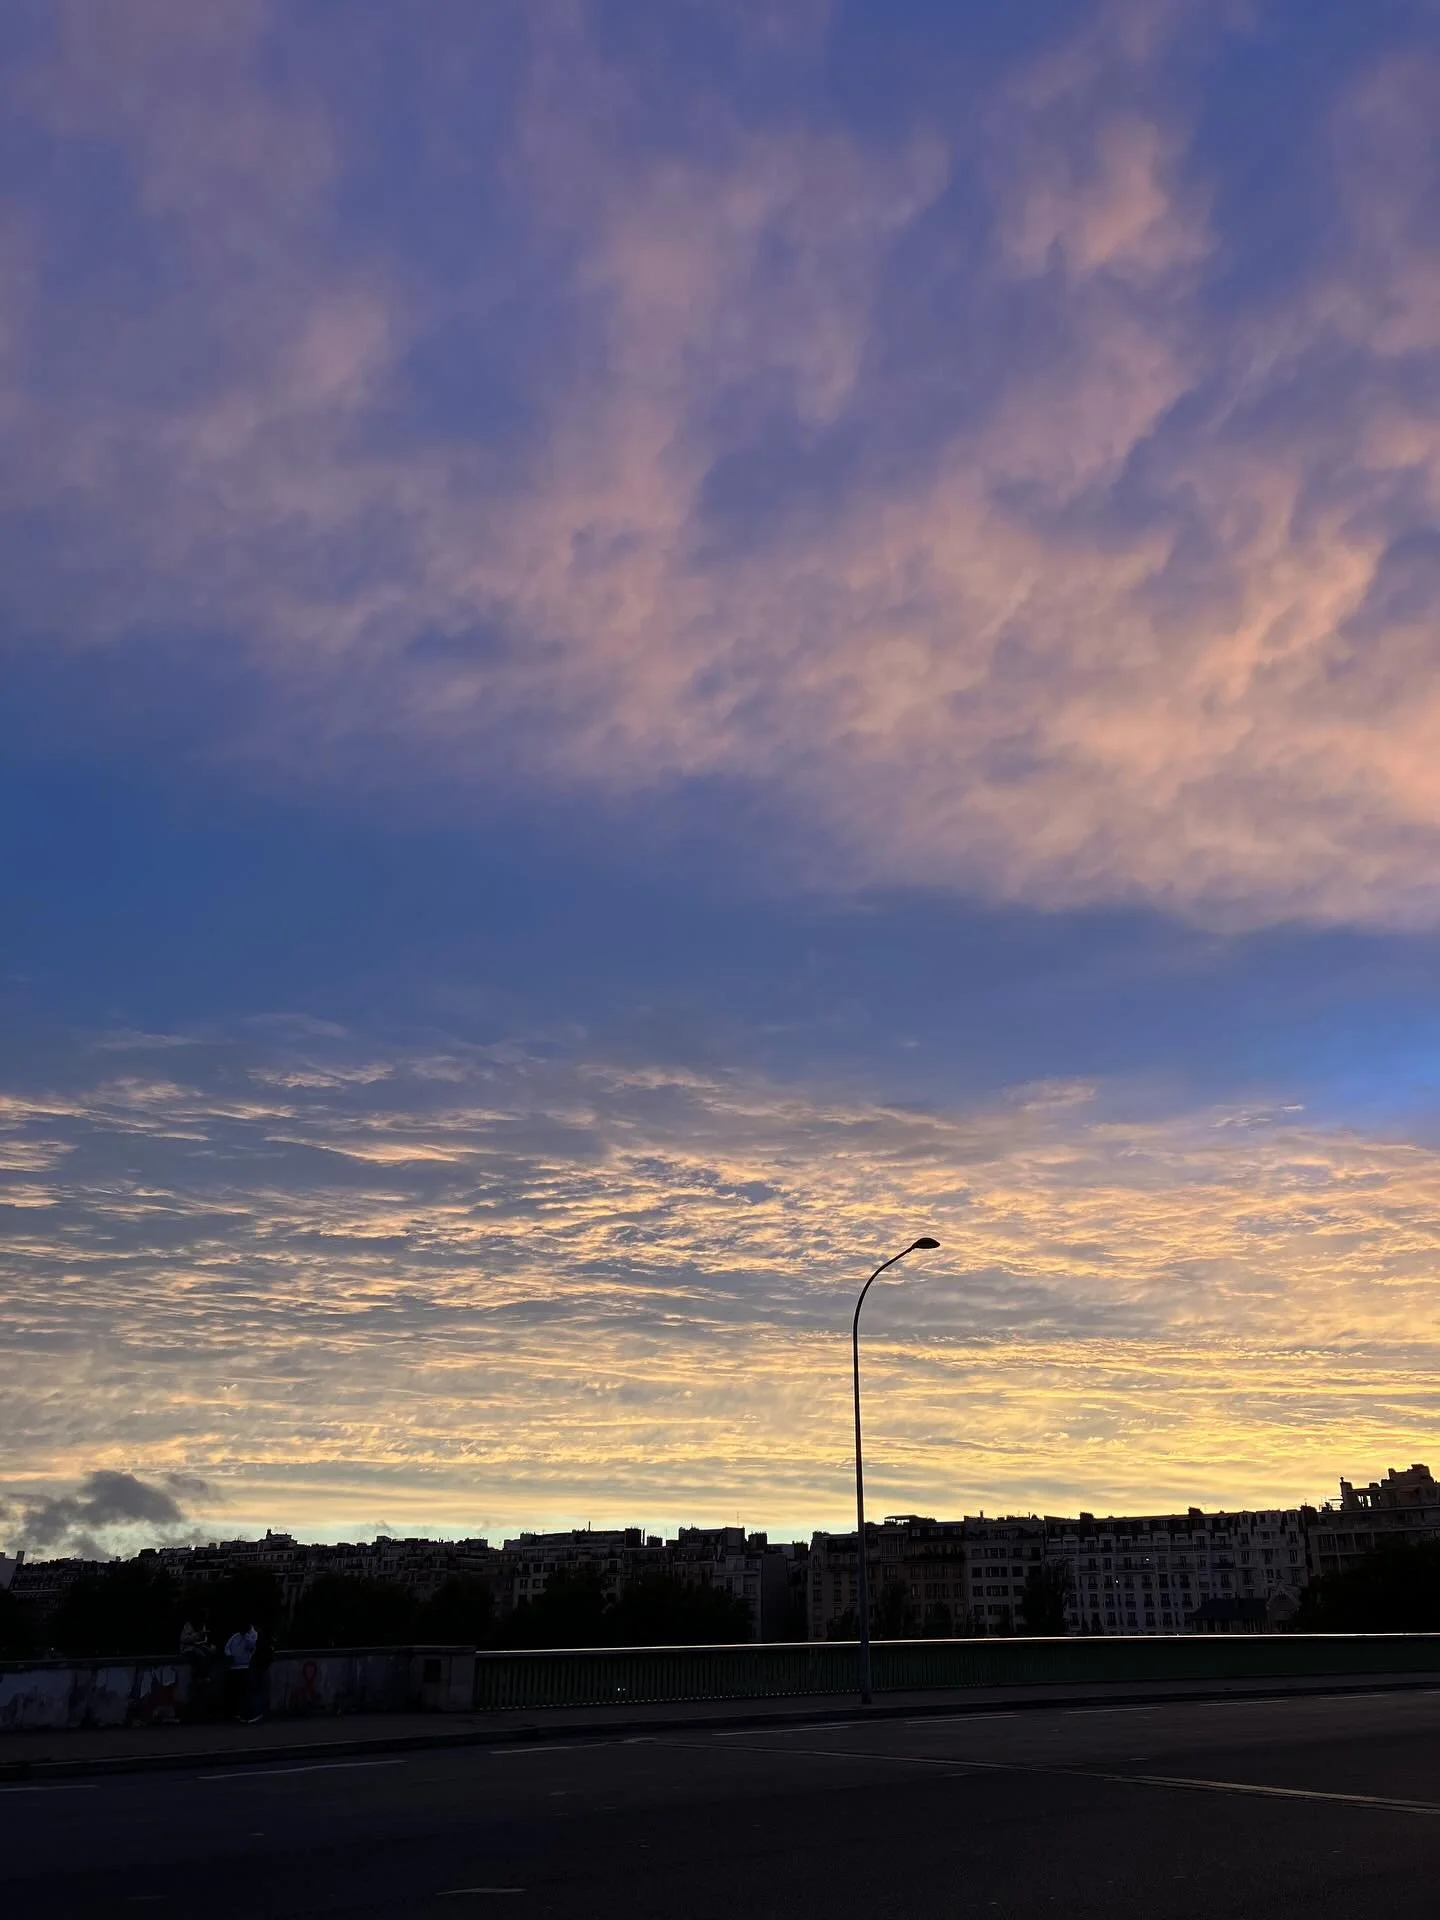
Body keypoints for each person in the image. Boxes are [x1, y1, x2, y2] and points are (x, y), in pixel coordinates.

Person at [223, 1622, 259, 1721]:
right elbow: (227, 1647)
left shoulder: (253, 1635)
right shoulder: (235, 1636)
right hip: (233, 1667)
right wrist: (229, 1655)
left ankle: (248, 1714)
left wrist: (246, 1636)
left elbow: (251, 1646)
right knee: (235, 1692)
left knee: (245, 1692)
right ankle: (236, 1713)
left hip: (244, 1667)